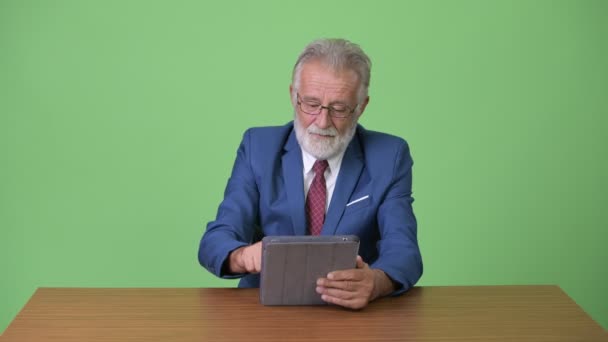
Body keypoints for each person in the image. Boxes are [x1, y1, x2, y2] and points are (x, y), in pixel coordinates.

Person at [198, 38, 422, 309]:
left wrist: (376, 281)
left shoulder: (390, 156)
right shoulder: (258, 148)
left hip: (352, 316)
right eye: (311, 104)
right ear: (294, 96)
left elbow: (404, 250)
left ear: (361, 107)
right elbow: (215, 240)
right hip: (265, 312)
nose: (323, 121)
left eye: (339, 108)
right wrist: (245, 256)